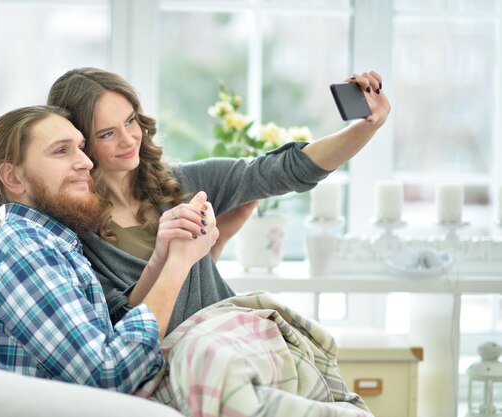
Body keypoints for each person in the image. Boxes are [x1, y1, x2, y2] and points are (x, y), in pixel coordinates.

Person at [47, 67, 391, 332]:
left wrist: (365, 127)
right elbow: (121, 323)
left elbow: (283, 169)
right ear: (80, 142)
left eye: (130, 121)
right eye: (107, 134)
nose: (128, 139)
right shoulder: (77, 233)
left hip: (234, 339)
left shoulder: (181, 184)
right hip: (173, 369)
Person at [0, 105, 220, 394]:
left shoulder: (52, 244)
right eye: (61, 151)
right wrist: (180, 262)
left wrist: (162, 258)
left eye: (80, 148)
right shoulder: (22, 252)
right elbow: (109, 375)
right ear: (14, 178)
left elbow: (110, 344)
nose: (86, 163)